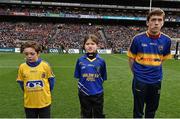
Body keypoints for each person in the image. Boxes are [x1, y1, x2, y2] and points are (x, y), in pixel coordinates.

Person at [127, 8, 172, 118]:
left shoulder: (167, 40)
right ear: (148, 22)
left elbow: (162, 59)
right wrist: (137, 74)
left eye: (159, 20)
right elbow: (131, 59)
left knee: (152, 110)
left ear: (163, 22)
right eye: (153, 19)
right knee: (138, 111)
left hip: (156, 81)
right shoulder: (137, 39)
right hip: (140, 80)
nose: (156, 23)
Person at [16, 41, 55, 118]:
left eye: (32, 54)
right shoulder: (22, 67)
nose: (29, 56)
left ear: (38, 53)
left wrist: (45, 92)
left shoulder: (45, 65)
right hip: (29, 103)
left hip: (44, 102)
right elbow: (21, 83)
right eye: (26, 54)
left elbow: (51, 82)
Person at [74, 34, 107, 118]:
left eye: (92, 44)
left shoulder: (101, 61)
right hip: (84, 93)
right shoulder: (80, 60)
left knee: (98, 115)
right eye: (87, 44)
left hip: (98, 93)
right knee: (86, 115)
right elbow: (78, 76)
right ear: (84, 45)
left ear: (97, 46)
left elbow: (103, 77)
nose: (90, 46)